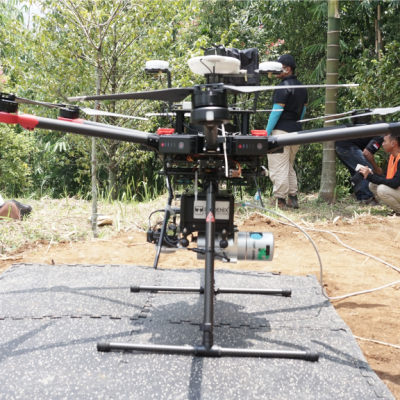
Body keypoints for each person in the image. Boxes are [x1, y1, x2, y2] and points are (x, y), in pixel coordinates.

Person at [266, 54, 308, 209]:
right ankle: (293, 198)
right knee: (288, 165)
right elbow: (302, 112)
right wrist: (296, 125)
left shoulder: (283, 86)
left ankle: (281, 200)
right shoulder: (302, 88)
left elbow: (276, 112)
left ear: (287, 69)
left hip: (281, 132)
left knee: (278, 166)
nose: (275, 71)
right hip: (296, 132)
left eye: (279, 68)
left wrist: (266, 133)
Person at [359, 133, 400, 215]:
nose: (382, 144)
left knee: (382, 189)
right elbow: (386, 177)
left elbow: (395, 183)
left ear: (393, 143)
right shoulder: (392, 156)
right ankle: (395, 208)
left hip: (397, 187)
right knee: (372, 185)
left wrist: (370, 176)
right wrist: (371, 175)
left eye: (384, 141)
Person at [335, 136, 384, 203]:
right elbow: (366, 153)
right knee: (368, 169)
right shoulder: (381, 136)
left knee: (358, 172)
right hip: (347, 146)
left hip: (340, 146)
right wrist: (376, 168)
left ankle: (360, 197)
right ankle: (368, 198)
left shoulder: (378, 132)